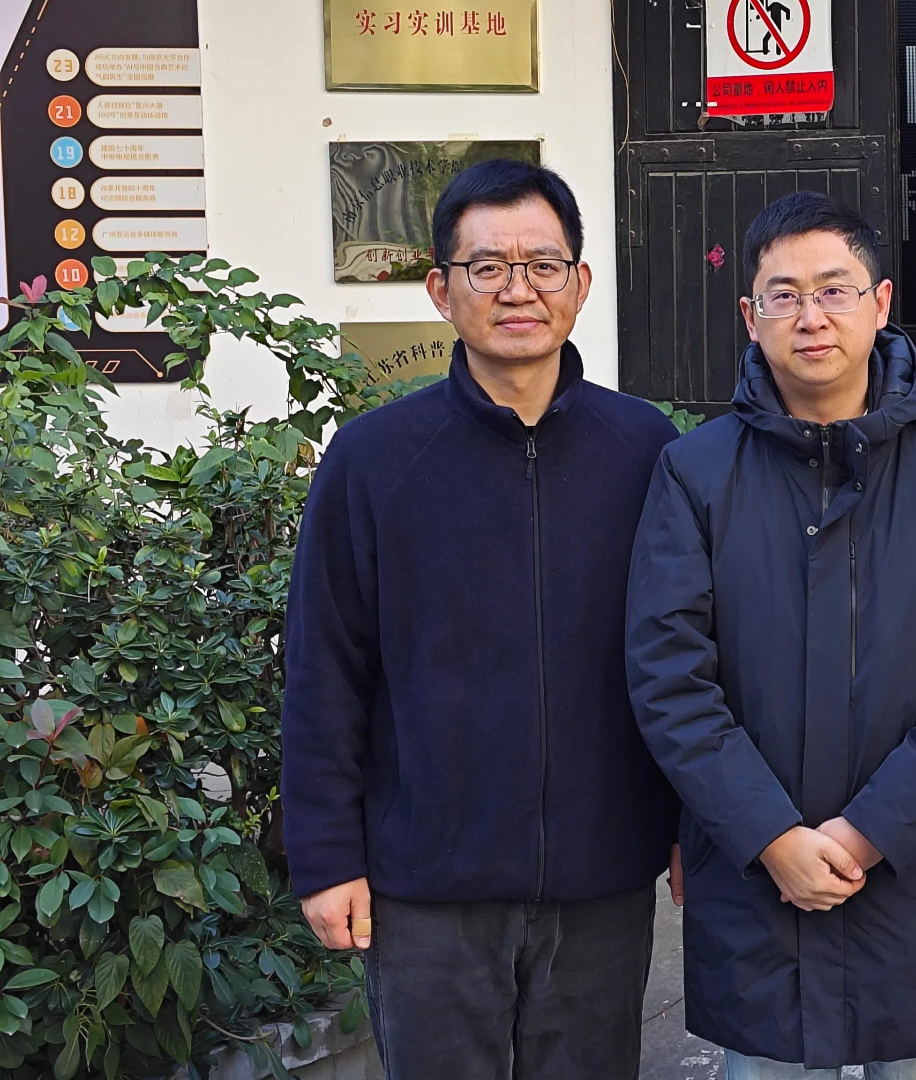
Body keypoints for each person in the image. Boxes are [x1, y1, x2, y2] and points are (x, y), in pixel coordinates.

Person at [281, 159, 682, 1080]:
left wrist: (686, 827)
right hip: (427, 886)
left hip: (602, 877)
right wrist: (326, 857)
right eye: (487, 267)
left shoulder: (644, 450)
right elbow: (324, 670)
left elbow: (683, 659)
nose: (517, 290)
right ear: (441, 289)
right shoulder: (374, 460)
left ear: (581, 283)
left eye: (542, 265)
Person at [626, 191, 916, 1080]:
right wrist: (771, 835)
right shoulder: (694, 474)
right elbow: (669, 677)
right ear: (751, 316)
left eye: (834, 290)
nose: (810, 316)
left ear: (879, 303)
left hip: (914, 877)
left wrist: (868, 833)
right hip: (756, 882)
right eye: (784, 294)